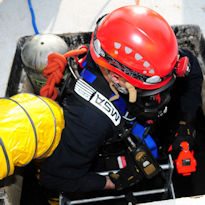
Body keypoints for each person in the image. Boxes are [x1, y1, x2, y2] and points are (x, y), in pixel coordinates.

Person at [39, 5, 203, 193]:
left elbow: (191, 70)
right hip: (110, 142)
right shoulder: (88, 121)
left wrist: (186, 125)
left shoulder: (147, 58)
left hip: (138, 123)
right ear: (117, 79)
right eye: (148, 90)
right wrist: (113, 181)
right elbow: (54, 177)